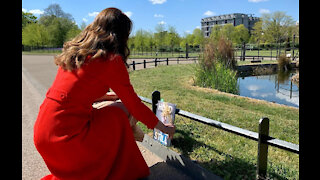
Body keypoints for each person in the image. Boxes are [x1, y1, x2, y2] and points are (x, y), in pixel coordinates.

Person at [34, 7, 175, 180]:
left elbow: (73, 93)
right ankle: (129, 147)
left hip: (44, 132)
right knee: (121, 111)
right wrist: (163, 128)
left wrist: (110, 96)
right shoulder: (110, 60)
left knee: (113, 108)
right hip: (68, 139)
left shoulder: (76, 54)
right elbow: (135, 106)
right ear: (120, 35)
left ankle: (129, 139)